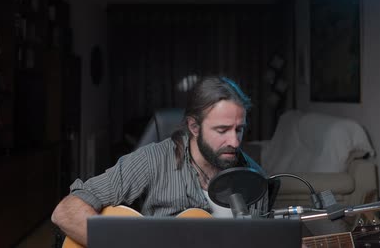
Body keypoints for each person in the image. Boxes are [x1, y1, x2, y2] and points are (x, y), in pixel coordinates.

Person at [51, 76, 274, 246]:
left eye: (239, 129)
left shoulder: (255, 179)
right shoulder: (152, 160)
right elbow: (66, 211)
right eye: (222, 130)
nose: (234, 141)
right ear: (194, 127)